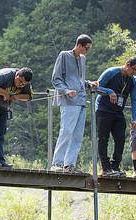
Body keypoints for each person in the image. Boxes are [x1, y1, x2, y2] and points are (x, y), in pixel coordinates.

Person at [95, 57, 136, 176]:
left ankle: (115, 166)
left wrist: (134, 119)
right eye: (133, 69)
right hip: (103, 109)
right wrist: (109, 91)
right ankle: (106, 168)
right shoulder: (111, 72)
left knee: (120, 139)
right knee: (103, 139)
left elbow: (134, 100)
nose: (134, 73)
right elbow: (96, 87)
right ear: (127, 65)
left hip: (118, 112)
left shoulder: (133, 81)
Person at [51, 34, 94, 173]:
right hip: (69, 100)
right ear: (79, 45)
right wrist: (66, 90)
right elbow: (56, 78)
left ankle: (69, 165)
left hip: (81, 100)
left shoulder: (83, 59)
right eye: (86, 48)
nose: (87, 51)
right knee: (66, 131)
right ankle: (56, 163)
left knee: (77, 135)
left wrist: (89, 83)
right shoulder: (64, 55)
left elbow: (80, 80)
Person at [0, 67, 33, 167]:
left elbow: (29, 96)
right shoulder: (5, 75)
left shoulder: (25, 83)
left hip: (3, 106)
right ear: (17, 75)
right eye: (20, 81)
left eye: (24, 84)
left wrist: (17, 96)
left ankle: (0, 160)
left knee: (1, 134)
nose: (21, 85)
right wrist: (5, 93)